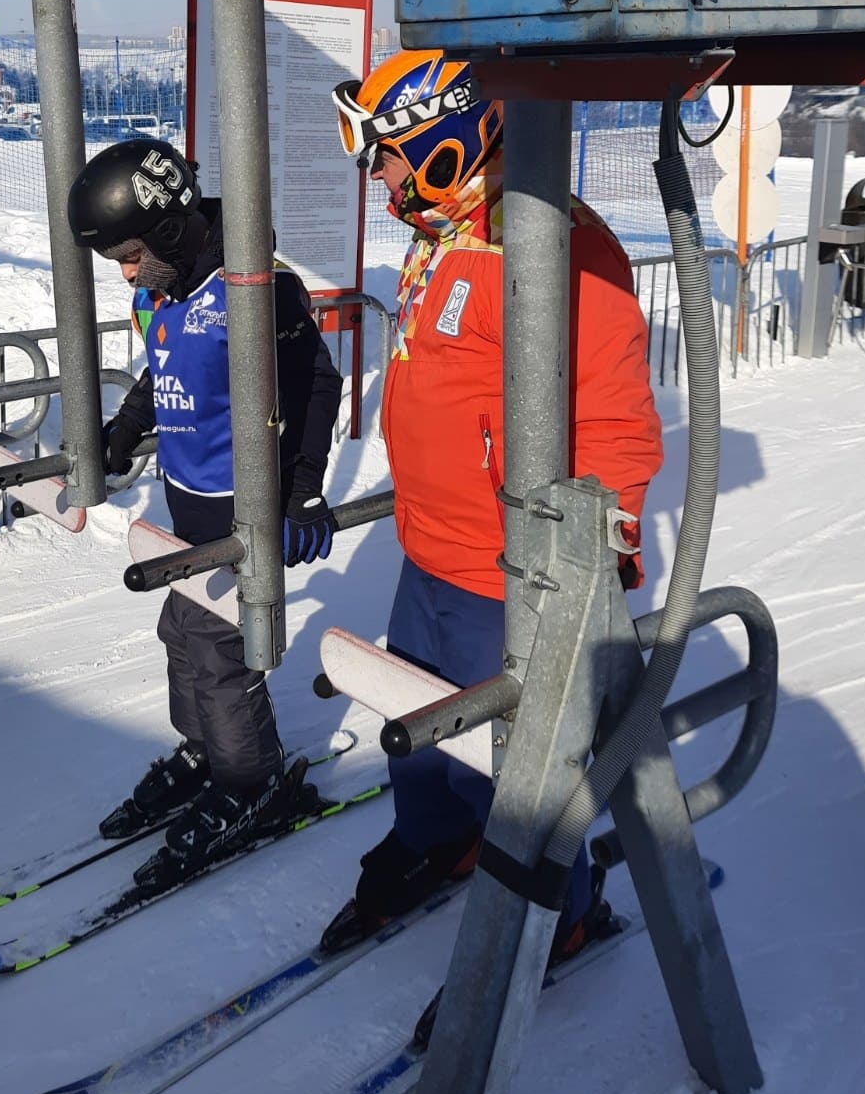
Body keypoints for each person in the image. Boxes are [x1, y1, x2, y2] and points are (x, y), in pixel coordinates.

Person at [322, 51, 665, 962]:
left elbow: (614, 414)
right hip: (429, 547)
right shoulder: (443, 229)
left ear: (440, 139)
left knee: (515, 759)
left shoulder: (556, 242)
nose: (377, 175)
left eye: (386, 154)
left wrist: (604, 546)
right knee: (417, 723)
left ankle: (560, 906)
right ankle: (438, 837)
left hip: (505, 567)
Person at [67, 137, 344, 876]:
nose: (126, 274)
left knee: (221, 655)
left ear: (166, 231)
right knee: (180, 633)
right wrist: (127, 426)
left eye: (130, 256)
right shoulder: (163, 291)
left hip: (241, 508)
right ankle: (205, 751)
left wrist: (303, 488)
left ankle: (251, 780)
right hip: (186, 506)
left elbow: (317, 383)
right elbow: (162, 365)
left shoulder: (253, 291)